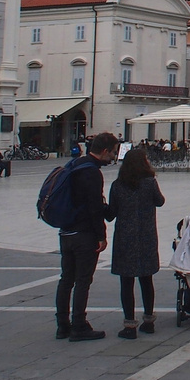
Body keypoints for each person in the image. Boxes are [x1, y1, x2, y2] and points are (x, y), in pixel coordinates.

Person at [54, 132, 120, 341]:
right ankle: (79, 325)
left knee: (66, 279)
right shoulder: (92, 173)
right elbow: (94, 208)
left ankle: (63, 324)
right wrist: (101, 236)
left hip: (66, 232)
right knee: (83, 280)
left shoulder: (74, 165)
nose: (114, 157)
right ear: (104, 151)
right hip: (83, 234)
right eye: (113, 152)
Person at [104, 147, 166, 339]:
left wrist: (102, 205)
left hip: (125, 237)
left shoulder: (118, 185)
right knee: (146, 279)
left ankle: (129, 324)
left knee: (127, 281)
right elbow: (160, 201)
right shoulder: (149, 182)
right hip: (146, 235)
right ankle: (148, 321)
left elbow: (111, 214)